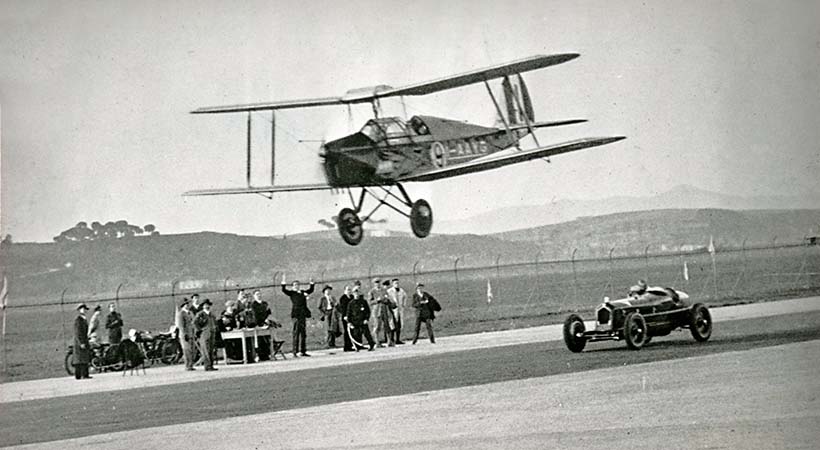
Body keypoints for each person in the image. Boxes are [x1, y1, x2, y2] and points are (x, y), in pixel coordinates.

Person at [281, 276, 314, 357]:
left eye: (297, 285)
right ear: (292, 286)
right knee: (296, 332)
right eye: (295, 285)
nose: (296, 286)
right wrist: (283, 282)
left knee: (303, 333)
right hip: (296, 315)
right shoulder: (292, 293)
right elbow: (284, 290)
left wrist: (311, 283)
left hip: (303, 314)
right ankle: (295, 351)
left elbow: (310, 290)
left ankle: (303, 351)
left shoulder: (302, 292)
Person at [345, 283, 375, 351]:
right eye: (355, 293)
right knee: (356, 334)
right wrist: (349, 322)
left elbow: (367, 311)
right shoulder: (351, 303)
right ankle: (357, 346)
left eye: (357, 292)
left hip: (363, 321)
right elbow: (348, 313)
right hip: (355, 321)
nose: (356, 294)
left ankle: (371, 344)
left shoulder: (363, 302)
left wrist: (367, 319)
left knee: (367, 334)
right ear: (353, 294)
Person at [194, 299, 218, 371]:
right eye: (205, 305)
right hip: (204, 334)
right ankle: (207, 366)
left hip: (212, 333)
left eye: (208, 305)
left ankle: (211, 365)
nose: (207, 306)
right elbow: (195, 322)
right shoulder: (200, 314)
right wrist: (199, 330)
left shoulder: (212, 314)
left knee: (211, 350)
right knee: (205, 350)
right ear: (203, 306)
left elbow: (215, 323)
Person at [251, 289, 273, 360]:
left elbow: (269, 313)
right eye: (257, 294)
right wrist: (260, 321)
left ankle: (267, 354)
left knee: (267, 339)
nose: (259, 295)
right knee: (259, 340)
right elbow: (255, 315)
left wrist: (267, 319)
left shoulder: (265, 304)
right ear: (254, 296)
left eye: (260, 294)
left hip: (265, 323)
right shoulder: (253, 305)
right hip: (258, 324)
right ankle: (260, 355)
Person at [175, 299, 196, 370]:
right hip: (185, 335)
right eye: (185, 304)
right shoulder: (181, 314)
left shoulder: (190, 312)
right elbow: (181, 325)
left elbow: (193, 322)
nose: (187, 305)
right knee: (187, 350)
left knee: (192, 350)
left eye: (188, 304)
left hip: (191, 334)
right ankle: (188, 365)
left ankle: (191, 364)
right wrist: (184, 334)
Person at [73, 303, 92, 379]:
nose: (84, 310)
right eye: (82, 309)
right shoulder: (78, 320)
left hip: (84, 340)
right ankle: (79, 375)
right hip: (80, 342)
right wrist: (81, 343)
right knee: (79, 359)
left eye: (85, 309)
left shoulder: (84, 319)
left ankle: (85, 374)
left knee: (84, 358)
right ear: (79, 310)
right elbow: (78, 332)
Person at [376, 280, 396, 347]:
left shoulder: (385, 292)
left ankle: (389, 341)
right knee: (377, 327)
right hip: (378, 311)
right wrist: (378, 300)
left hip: (386, 311)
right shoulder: (373, 292)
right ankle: (377, 342)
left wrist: (392, 304)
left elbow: (388, 301)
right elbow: (371, 301)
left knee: (388, 326)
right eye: (385, 286)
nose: (386, 287)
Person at [387, 278, 407, 344]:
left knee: (399, 324)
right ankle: (392, 339)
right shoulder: (389, 291)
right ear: (392, 284)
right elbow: (387, 299)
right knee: (392, 324)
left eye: (398, 283)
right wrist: (391, 306)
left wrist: (403, 305)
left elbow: (405, 297)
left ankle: (398, 339)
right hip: (393, 310)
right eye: (395, 283)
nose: (397, 284)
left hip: (400, 309)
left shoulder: (401, 291)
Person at [337, 285, 355, 352]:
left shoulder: (352, 297)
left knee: (352, 331)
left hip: (352, 316)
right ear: (345, 290)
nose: (349, 291)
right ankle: (346, 346)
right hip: (346, 317)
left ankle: (351, 345)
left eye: (350, 290)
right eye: (348, 290)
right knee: (347, 331)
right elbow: (343, 308)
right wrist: (345, 316)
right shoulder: (343, 298)